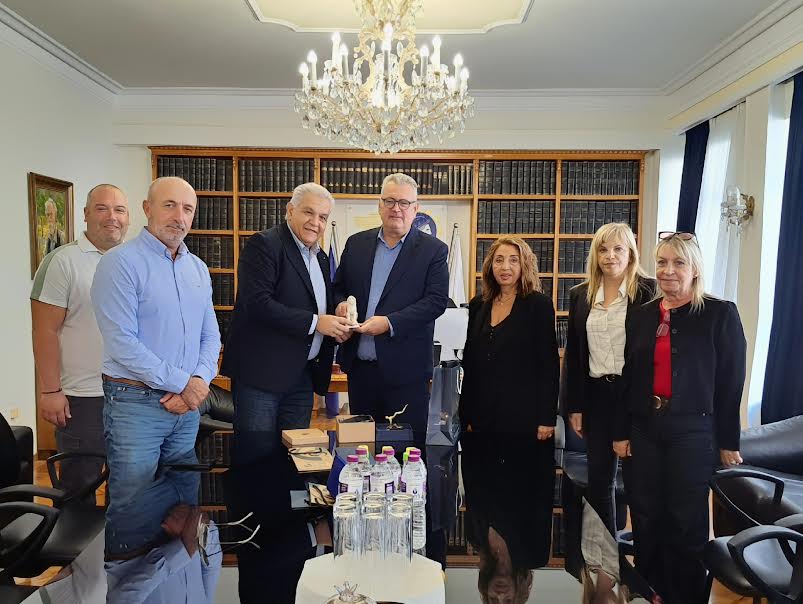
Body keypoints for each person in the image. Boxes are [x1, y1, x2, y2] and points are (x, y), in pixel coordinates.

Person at [91, 176, 220, 558]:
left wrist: (199, 381)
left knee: (183, 499)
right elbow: (122, 342)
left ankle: (171, 576)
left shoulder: (197, 269)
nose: (179, 217)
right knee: (133, 503)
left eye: (187, 209)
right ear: (147, 208)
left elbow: (210, 336)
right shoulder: (120, 264)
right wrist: (185, 384)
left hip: (186, 408)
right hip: (135, 405)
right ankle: (127, 577)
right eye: (169, 205)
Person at [615, 231, 746, 603]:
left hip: (693, 430)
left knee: (685, 520)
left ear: (695, 269)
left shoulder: (719, 313)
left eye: (678, 263)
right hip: (644, 426)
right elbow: (628, 375)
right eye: (661, 262)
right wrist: (621, 431)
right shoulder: (642, 314)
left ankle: (685, 596)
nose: (668, 270)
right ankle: (652, 592)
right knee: (645, 513)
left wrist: (728, 441)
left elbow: (731, 382)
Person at [221, 183, 348, 464]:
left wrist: (336, 316)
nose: (315, 222)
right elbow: (257, 304)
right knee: (257, 459)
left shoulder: (320, 257)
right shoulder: (265, 245)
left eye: (323, 217)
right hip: (261, 378)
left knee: (295, 458)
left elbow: (316, 304)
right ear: (290, 211)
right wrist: (317, 323)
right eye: (308, 212)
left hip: (301, 376)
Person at [30, 184, 130, 501]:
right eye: (102, 208)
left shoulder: (133, 260)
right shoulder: (63, 261)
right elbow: (44, 331)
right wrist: (50, 391)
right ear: (85, 214)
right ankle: (71, 538)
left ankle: (117, 537)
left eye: (119, 210)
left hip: (132, 395)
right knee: (79, 490)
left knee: (127, 491)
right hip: (83, 398)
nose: (112, 217)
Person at [333, 173, 449, 434]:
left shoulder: (434, 250)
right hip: (360, 372)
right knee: (361, 448)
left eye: (404, 202)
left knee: (403, 450)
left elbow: (436, 301)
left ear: (415, 209)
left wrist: (389, 323)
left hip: (406, 375)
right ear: (379, 205)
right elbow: (338, 288)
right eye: (390, 201)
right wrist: (340, 305)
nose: (396, 208)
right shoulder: (356, 244)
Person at [563, 223, 655, 535]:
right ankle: (606, 554)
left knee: (638, 484)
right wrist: (574, 405)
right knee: (599, 483)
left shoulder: (649, 293)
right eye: (603, 249)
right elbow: (575, 355)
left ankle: (644, 555)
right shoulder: (581, 295)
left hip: (635, 398)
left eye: (618, 249)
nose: (610, 256)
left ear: (631, 254)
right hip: (597, 396)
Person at [459, 236, 559, 435]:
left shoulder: (539, 305)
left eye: (514, 260)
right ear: (490, 266)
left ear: (524, 265)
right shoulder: (478, 304)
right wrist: (466, 414)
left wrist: (547, 418)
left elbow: (548, 366)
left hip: (524, 417)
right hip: (480, 416)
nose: (505, 267)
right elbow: (470, 363)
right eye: (499, 260)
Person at [105, 504, 222, 604]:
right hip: (184, 512)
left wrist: (183, 547)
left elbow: (120, 600)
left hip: (136, 533)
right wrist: (200, 528)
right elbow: (212, 567)